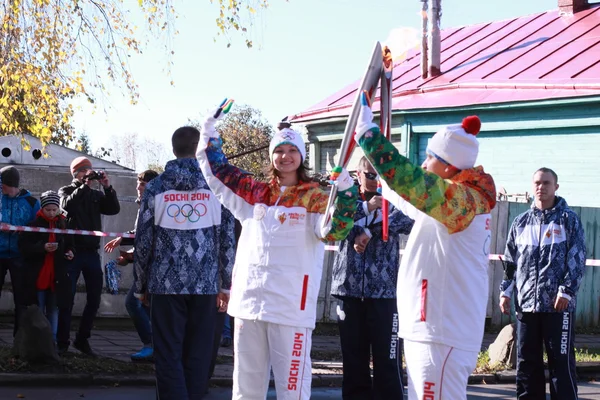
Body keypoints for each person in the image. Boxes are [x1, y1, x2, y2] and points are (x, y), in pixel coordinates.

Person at [196, 99, 358, 400]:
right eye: (279, 151)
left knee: (292, 387)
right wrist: (209, 130)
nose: (285, 156)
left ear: (302, 155)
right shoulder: (256, 192)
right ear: (271, 157)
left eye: (292, 150)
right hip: (250, 302)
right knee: (246, 386)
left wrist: (347, 192)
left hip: (291, 306)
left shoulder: (315, 198)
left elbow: (335, 230)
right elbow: (219, 173)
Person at [354, 92, 497, 400]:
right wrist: (375, 172)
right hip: (433, 328)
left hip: (442, 330)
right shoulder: (452, 204)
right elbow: (405, 194)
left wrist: (369, 135)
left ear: (447, 167)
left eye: (430, 157)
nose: (424, 162)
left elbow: (410, 181)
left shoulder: (460, 202)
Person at [133, 126, 236, 400]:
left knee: (167, 355)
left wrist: (140, 285)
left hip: (164, 285)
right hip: (206, 286)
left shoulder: (155, 187)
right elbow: (227, 241)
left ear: (173, 148)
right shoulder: (216, 188)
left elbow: (143, 241)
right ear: (199, 148)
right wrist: (226, 285)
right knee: (199, 355)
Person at [331, 156, 414, 400]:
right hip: (349, 290)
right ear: (358, 174)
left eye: (380, 175)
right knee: (354, 360)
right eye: (370, 175)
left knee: (387, 361)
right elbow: (335, 223)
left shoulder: (394, 200)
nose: (375, 180)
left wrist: (374, 221)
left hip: (384, 292)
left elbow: (410, 221)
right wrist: (362, 222)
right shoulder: (346, 200)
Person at [499, 168, 586, 400]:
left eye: (547, 182)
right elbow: (510, 261)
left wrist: (566, 291)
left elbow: (577, 259)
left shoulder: (569, 221)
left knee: (561, 363)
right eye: (537, 182)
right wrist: (506, 292)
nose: (541, 187)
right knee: (527, 363)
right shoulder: (520, 223)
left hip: (558, 307)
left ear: (556, 186)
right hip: (526, 306)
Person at [57, 156, 120, 355]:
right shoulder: (66, 191)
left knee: (94, 298)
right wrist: (84, 186)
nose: (89, 174)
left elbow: (113, 209)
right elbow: (67, 206)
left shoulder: (95, 193)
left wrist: (107, 187)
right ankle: (62, 342)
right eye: (85, 171)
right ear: (77, 173)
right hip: (72, 251)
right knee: (67, 299)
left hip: (91, 252)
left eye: (90, 171)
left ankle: (82, 339)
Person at [104, 169, 158, 362]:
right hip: (143, 266)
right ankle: (157, 346)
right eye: (138, 184)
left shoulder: (154, 206)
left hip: (152, 268)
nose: (138, 187)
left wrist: (131, 253)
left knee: (133, 302)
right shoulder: (143, 205)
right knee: (144, 306)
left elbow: (149, 239)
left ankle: (152, 345)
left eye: (142, 184)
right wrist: (126, 250)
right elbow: (139, 233)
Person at [19, 191, 74, 341]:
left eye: (54, 209)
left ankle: (52, 342)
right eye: (47, 209)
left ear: (58, 209)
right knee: (38, 309)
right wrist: (42, 247)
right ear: (42, 208)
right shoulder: (33, 225)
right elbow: (24, 247)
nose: (51, 213)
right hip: (39, 275)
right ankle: (38, 342)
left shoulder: (64, 224)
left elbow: (70, 244)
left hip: (57, 276)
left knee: (53, 310)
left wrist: (69, 252)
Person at [0, 166, 40, 336]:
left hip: (20, 256)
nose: (1, 187)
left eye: (2, 184)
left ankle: (20, 338)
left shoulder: (31, 202)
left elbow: (39, 228)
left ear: (11, 183)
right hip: (0, 254)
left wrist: (22, 229)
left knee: (21, 299)